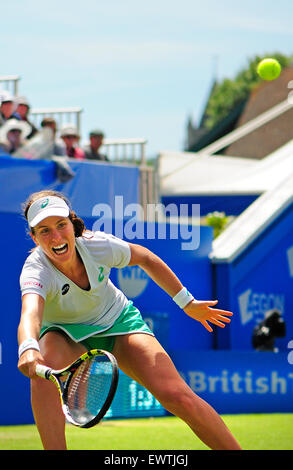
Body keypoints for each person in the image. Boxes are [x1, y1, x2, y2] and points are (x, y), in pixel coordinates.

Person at [17, 190, 242, 451]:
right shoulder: (36, 269)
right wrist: (28, 347)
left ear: (71, 223)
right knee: (41, 372)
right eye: (44, 230)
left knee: (178, 396)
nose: (56, 236)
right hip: (64, 333)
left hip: (118, 322)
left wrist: (187, 302)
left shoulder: (97, 245)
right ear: (34, 237)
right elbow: (30, 312)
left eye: (60, 224)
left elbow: (145, 257)